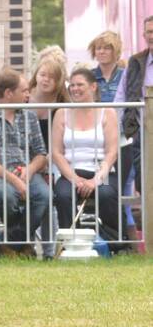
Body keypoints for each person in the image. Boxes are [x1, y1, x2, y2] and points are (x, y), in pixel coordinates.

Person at [0, 69, 50, 253]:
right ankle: (22, 246)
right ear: (8, 93)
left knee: (44, 196)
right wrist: (13, 179)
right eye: (24, 90)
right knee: (7, 194)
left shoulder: (29, 116)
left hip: (24, 171)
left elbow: (41, 154)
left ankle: (12, 245)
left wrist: (29, 170)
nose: (28, 94)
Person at [53, 67, 121, 243]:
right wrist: (75, 179)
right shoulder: (61, 113)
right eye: (72, 85)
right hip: (71, 171)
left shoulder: (108, 112)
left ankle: (114, 243)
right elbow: (56, 152)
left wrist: (95, 180)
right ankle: (71, 242)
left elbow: (112, 152)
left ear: (93, 87)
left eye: (80, 85)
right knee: (63, 195)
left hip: (101, 170)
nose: (75, 89)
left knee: (106, 194)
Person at [28, 47, 69, 256]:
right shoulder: (24, 97)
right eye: (42, 75)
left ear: (59, 81)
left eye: (51, 77)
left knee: (50, 199)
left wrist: (50, 160)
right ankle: (21, 243)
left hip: (55, 155)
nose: (45, 80)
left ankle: (50, 250)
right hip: (29, 157)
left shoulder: (63, 103)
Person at [117, 14, 153, 201]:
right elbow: (121, 96)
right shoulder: (136, 62)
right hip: (141, 132)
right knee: (143, 183)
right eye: (149, 32)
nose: (152, 36)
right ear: (144, 35)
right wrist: (116, 128)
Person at [87, 30, 125, 104]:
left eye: (107, 48)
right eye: (98, 48)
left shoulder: (125, 76)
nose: (101, 51)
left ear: (116, 51)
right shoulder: (88, 76)